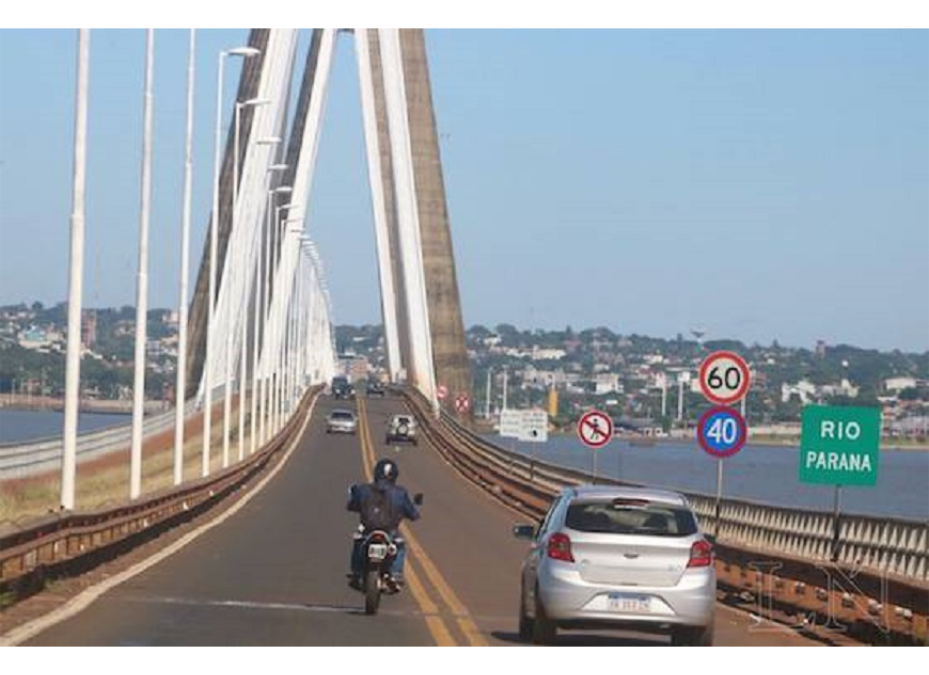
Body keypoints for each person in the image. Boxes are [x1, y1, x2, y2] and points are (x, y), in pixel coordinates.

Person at [347, 458, 420, 590]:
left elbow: (352, 505)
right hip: (389, 531)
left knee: (358, 542)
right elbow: (412, 513)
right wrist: (413, 513)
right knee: (400, 546)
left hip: (368, 530)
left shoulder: (363, 489)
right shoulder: (400, 493)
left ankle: (356, 572)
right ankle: (396, 574)